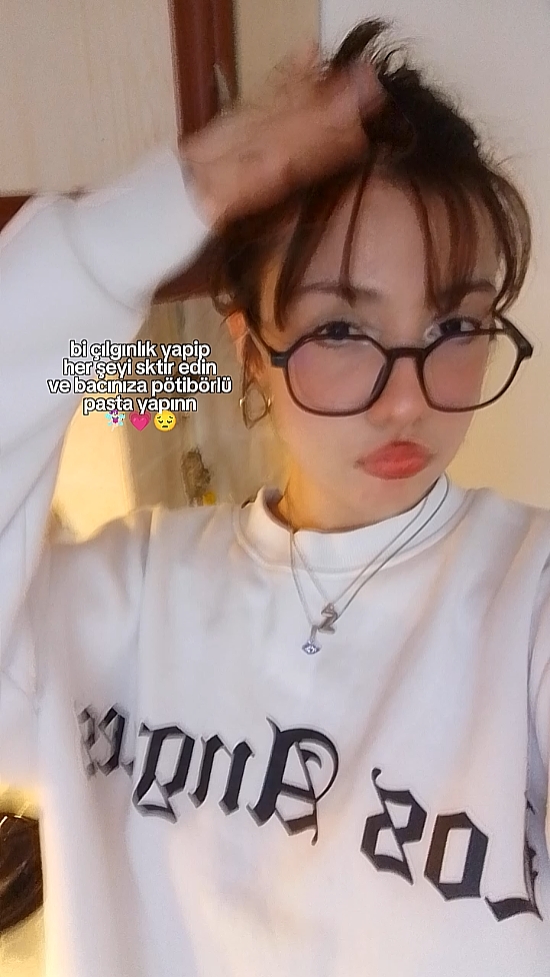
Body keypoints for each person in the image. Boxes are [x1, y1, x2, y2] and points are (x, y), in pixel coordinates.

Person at [1, 16, 549, 977]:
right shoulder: (113, 604)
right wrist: (188, 189)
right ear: (253, 348)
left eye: (455, 324)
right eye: (341, 330)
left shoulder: (528, 596)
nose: (409, 398)